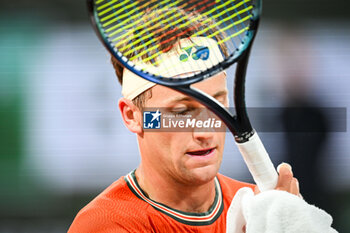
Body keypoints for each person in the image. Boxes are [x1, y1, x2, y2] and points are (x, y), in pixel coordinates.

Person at [68, 8, 300, 233]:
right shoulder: (102, 225)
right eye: (181, 111)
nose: (205, 131)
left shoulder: (261, 208)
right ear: (132, 116)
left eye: (216, 104)